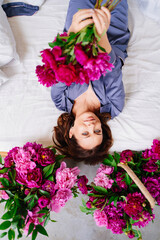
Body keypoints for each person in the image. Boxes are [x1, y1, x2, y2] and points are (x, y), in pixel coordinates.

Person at [51, 0, 130, 164]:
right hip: (112, 38)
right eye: (97, 131)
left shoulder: (60, 100)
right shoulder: (113, 107)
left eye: (85, 133)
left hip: (77, 37)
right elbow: (112, 70)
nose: (91, 126)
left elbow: (61, 63)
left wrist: (72, 31)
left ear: (71, 132)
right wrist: (102, 35)